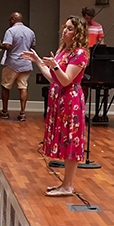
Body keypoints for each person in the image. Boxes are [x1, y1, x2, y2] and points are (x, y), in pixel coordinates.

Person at [23, 16, 91, 197]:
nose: (65, 31)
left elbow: (66, 79)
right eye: (65, 27)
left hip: (71, 102)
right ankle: (64, 184)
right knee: (64, 139)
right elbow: (53, 78)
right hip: (59, 101)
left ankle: (68, 186)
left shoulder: (80, 54)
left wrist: (55, 67)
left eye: (69, 29)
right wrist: (38, 61)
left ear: (78, 33)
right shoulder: (64, 50)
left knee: (71, 140)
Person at [0, 12, 37, 121]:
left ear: (13, 19)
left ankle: (5, 111)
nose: (9, 21)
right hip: (26, 63)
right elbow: (33, 48)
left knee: (5, 86)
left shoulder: (11, 31)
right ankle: (22, 113)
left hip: (12, 63)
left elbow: (8, 46)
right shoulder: (30, 32)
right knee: (23, 87)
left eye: (10, 19)